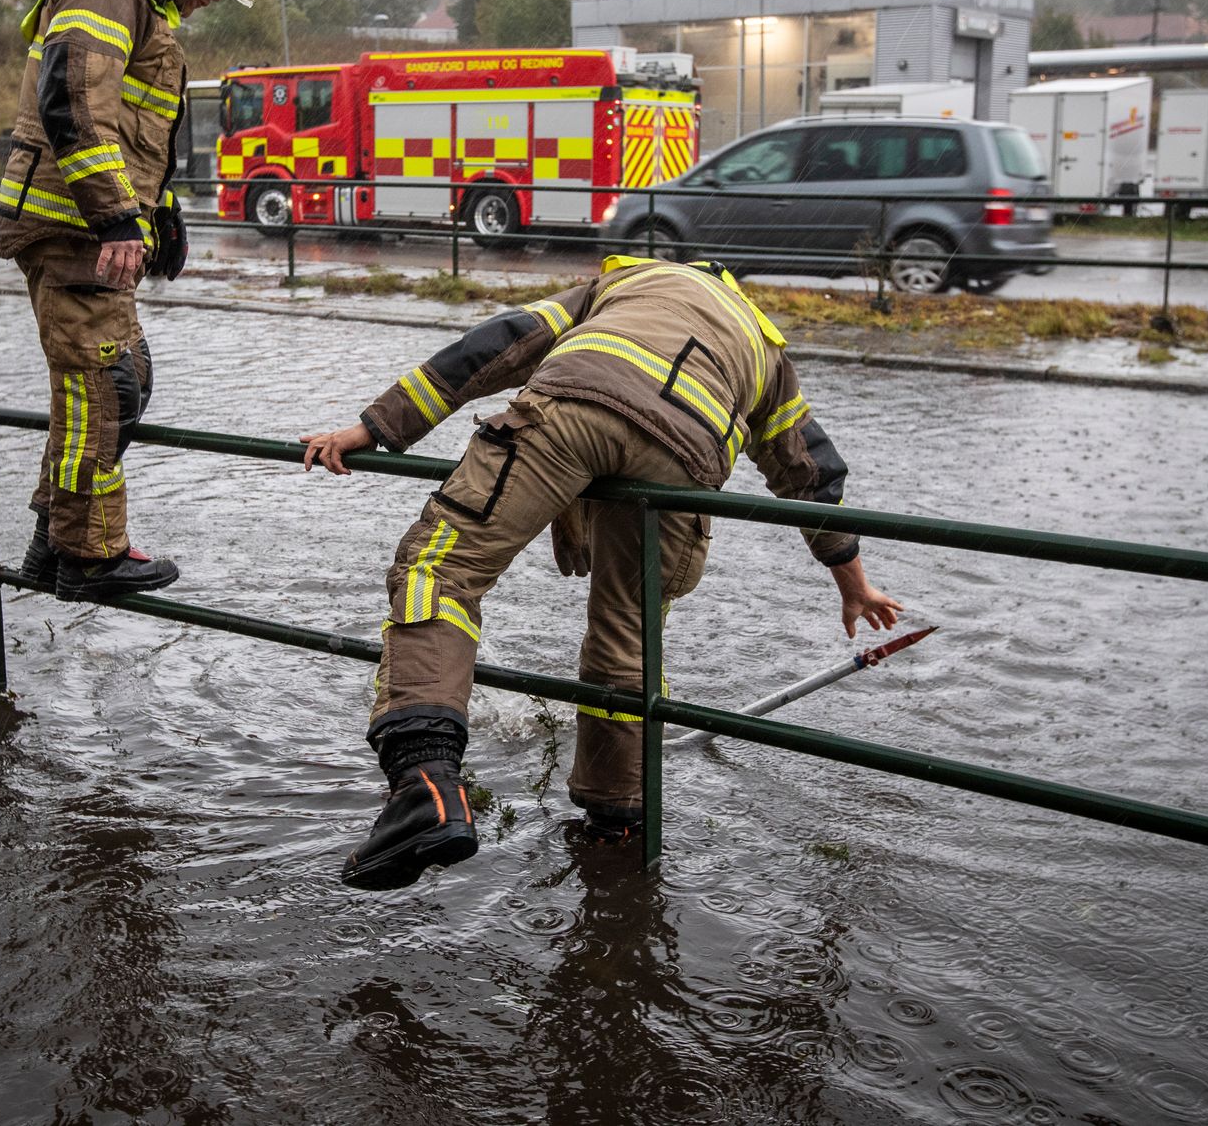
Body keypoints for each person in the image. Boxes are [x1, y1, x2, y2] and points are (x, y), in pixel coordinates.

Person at [300, 255, 903, 891]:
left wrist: (374, 427)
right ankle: (618, 821)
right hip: (687, 459)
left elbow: (500, 346)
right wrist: (853, 583)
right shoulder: (763, 345)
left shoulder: (625, 281)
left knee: (440, 570)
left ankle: (425, 787)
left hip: (574, 406)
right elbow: (807, 470)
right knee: (629, 632)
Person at [0, 0, 270, 602]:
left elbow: (133, 125)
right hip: (73, 223)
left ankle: (54, 539)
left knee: (124, 378)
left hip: (88, 221)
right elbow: (73, 96)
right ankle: (89, 550)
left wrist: (159, 210)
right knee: (105, 384)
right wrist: (117, 215)